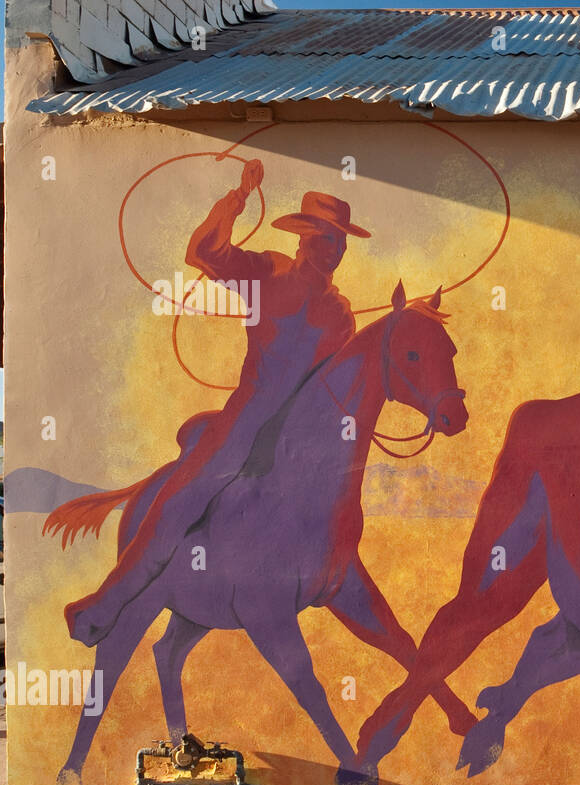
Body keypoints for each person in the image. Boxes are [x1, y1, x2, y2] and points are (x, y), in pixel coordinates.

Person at [66, 160, 371, 645]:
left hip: (296, 433)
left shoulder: (341, 313)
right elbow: (206, 252)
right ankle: (105, 603)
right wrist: (238, 198)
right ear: (301, 237)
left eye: (339, 241)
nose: (332, 249)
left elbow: (332, 385)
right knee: (182, 498)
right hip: (245, 420)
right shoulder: (269, 270)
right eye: (323, 237)